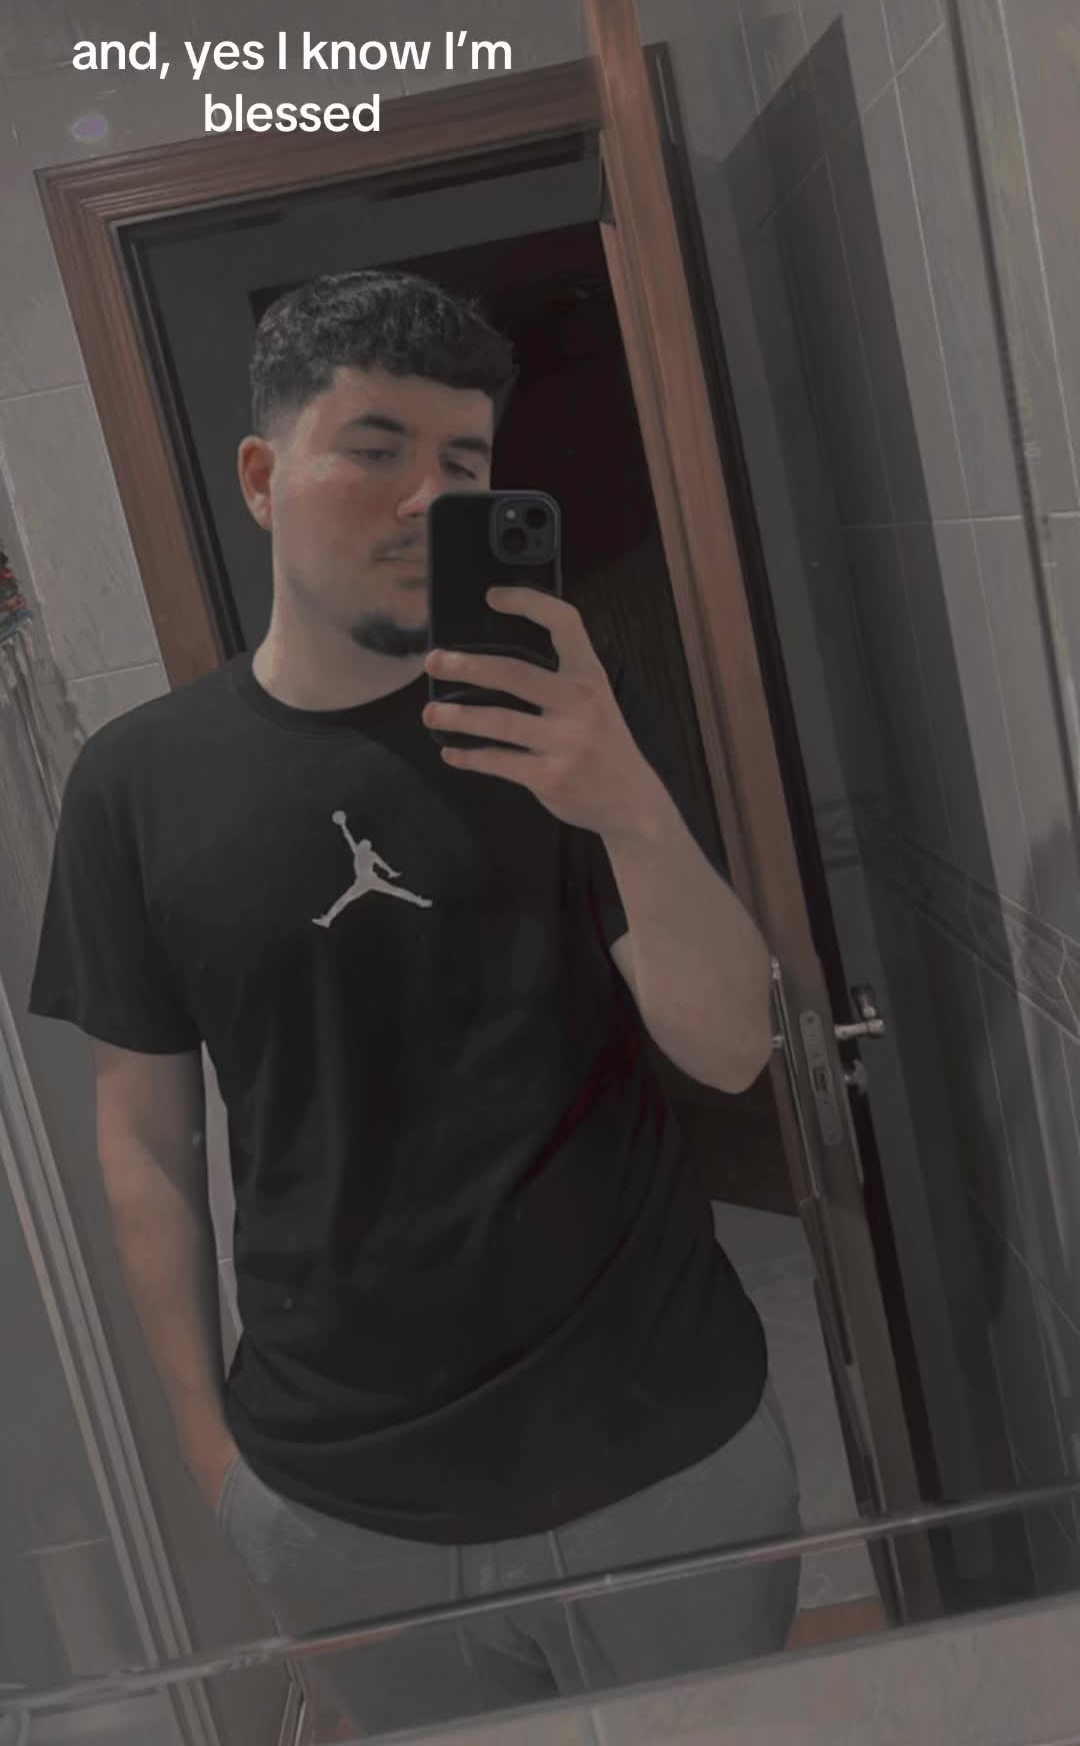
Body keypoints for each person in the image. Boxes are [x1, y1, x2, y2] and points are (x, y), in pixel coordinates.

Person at [29, 270, 802, 1736]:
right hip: (342, 1505)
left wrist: (628, 801)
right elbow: (141, 1144)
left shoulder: (563, 725)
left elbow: (729, 1048)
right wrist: (210, 1455)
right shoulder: (134, 785)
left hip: (663, 1451)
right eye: (374, 448)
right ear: (262, 479)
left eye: (463, 462)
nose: (426, 498)